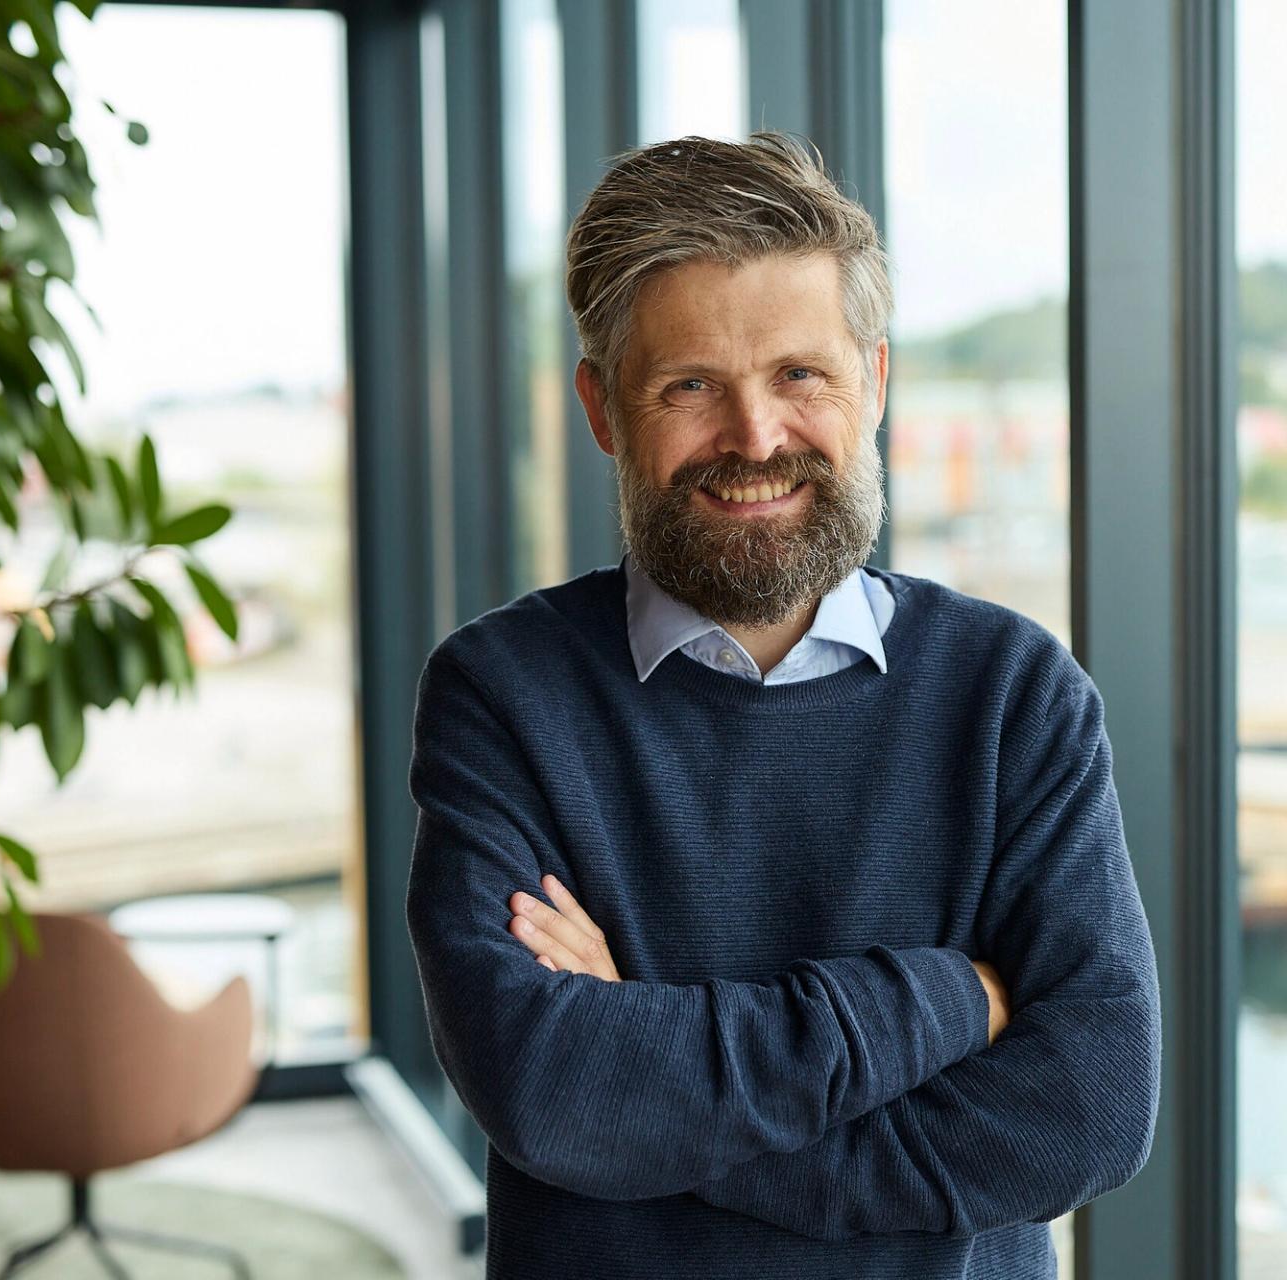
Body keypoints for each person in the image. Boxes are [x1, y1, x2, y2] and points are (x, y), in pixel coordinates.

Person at [404, 131, 1160, 1280]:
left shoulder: (1015, 693)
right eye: (690, 385)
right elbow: (554, 1092)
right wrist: (948, 996)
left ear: (875, 382)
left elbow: (1089, 1112)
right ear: (603, 408)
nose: (755, 438)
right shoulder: (503, 692)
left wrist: (657, 1097)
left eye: (800, 375)